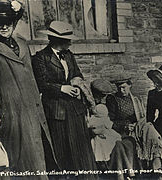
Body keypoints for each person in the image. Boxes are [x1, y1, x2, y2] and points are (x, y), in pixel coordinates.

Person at [0, 0, 55, 179]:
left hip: (33, 107)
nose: (4, 27)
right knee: (20, 157)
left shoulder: (22, 42)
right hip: (11, 111)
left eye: (8, 22)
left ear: (14, 23)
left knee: (38, 153)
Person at [31, 21, 97, 177]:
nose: (70, 42)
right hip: (56, 111)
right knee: (62, 152)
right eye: (67, 39)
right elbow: (41, 84)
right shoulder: (41, 58)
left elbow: (77, 74)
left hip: (75, 109)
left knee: (80, 151)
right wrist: (62, 88)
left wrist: (76, 85)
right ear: (56, 40)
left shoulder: (69, 55)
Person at [106, 74, 162, 172]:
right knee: (148, 130)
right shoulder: (113, 100)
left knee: (151, 132)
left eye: (123, 87)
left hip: (138, 127)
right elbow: (110, 122)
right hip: (124, 131)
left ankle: (156, 167)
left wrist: (140, 124)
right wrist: (125, 126)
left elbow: (142, 117)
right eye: (118, 88)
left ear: (129, 86)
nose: (121, 90)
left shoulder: (135, 99)